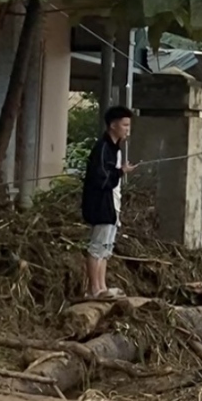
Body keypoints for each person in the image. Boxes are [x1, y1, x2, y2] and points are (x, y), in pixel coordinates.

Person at [82, 106, 135, 299]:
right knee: (97, 246)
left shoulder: (114, 148)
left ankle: (102, 287)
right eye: (125, 124)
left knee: (106, 246)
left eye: (129, 125)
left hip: (112, 203)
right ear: (113, 125)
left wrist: (120, 171)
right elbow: (101, 177)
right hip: (101, 203)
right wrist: (120, 172)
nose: (127, 129)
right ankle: (93, 289)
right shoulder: (103, 147)